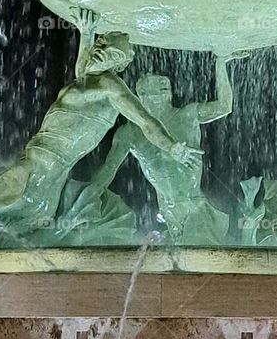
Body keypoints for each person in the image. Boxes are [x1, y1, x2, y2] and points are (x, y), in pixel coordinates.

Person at [0, 29, 199, 242]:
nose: (99, 53)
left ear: (116, 60)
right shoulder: (94, 82)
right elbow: (88, 72)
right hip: (34, 177)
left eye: (108, 51)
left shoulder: (105, 84)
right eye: (103, 47)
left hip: (40, 179)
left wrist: (172, 147)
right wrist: (86, 33)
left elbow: (146, 121)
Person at [61, 53, 242, 245]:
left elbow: (224, 107)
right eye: (157, 88)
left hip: (195, 207)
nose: (163, 91)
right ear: (140, 94)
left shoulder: (188, 116)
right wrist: (83, 199)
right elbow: (108, 170)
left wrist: (220, 63)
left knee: (198, 253)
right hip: (168, 211)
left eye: (165, 87)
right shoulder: (130, 133)